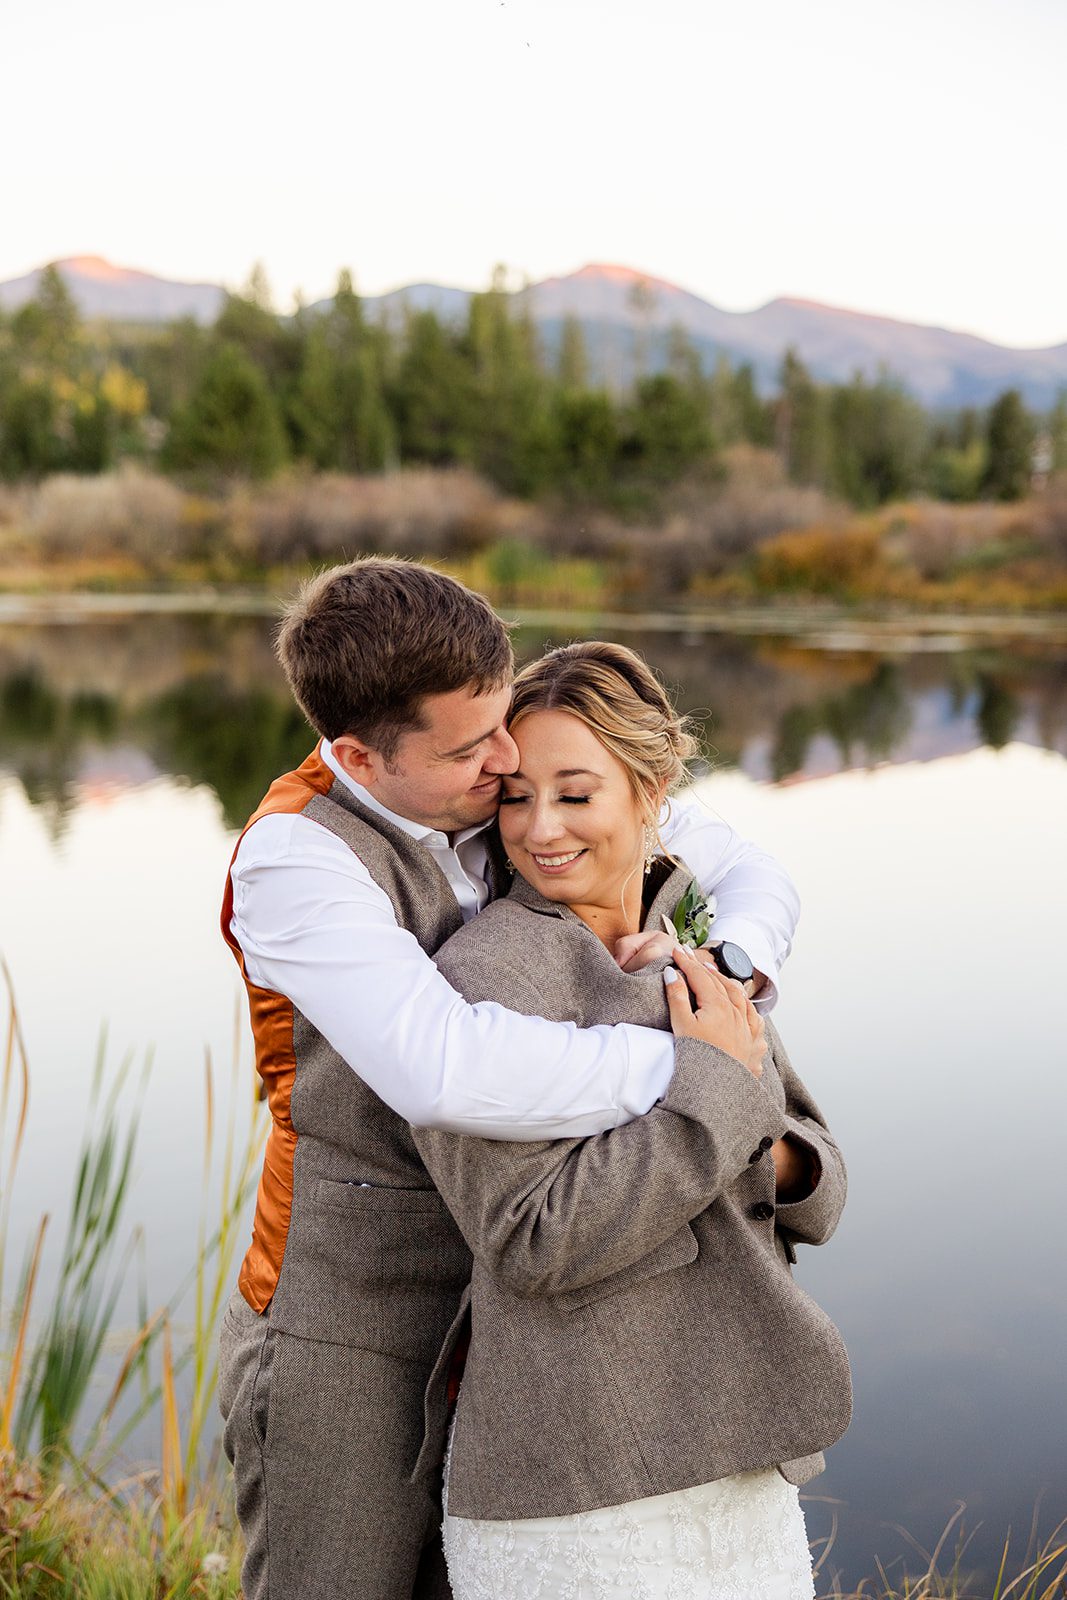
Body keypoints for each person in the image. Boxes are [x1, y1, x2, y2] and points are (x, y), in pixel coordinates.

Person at [217, 559, 802, 1600]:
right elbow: (447, 1068)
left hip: (514, 1327)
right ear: (360, 754)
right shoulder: (293, 860)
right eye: (469, 745)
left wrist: (738, 969)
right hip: (354, 1315)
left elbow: (743, 864)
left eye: (501, 721)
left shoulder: (503, 786)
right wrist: (701, 1068)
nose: (504, 759)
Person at [410, 640, 851, 1600]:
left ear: (650, 792)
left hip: (735, 1462)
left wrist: (750, 1138)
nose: (539, 828)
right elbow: (529, 1237)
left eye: (575, 794)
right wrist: (717, 1106)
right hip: (577, 1486)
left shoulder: (693, 944)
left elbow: (815, 1180)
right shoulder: (488, 977)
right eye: (518, 796)